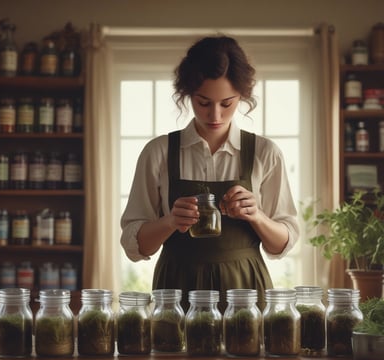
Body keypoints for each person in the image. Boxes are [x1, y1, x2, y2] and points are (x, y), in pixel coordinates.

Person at [120, 35, 299, 311]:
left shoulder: (265, 152)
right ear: (187, 95)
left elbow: (282, 243)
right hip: (176, 289)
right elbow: (135, 246)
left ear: (242, 96)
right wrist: (169, 222)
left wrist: (257, 216)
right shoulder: (158, 152)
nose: (215, 115)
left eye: (227, 103)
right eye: (203, 102)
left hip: (246, 290)